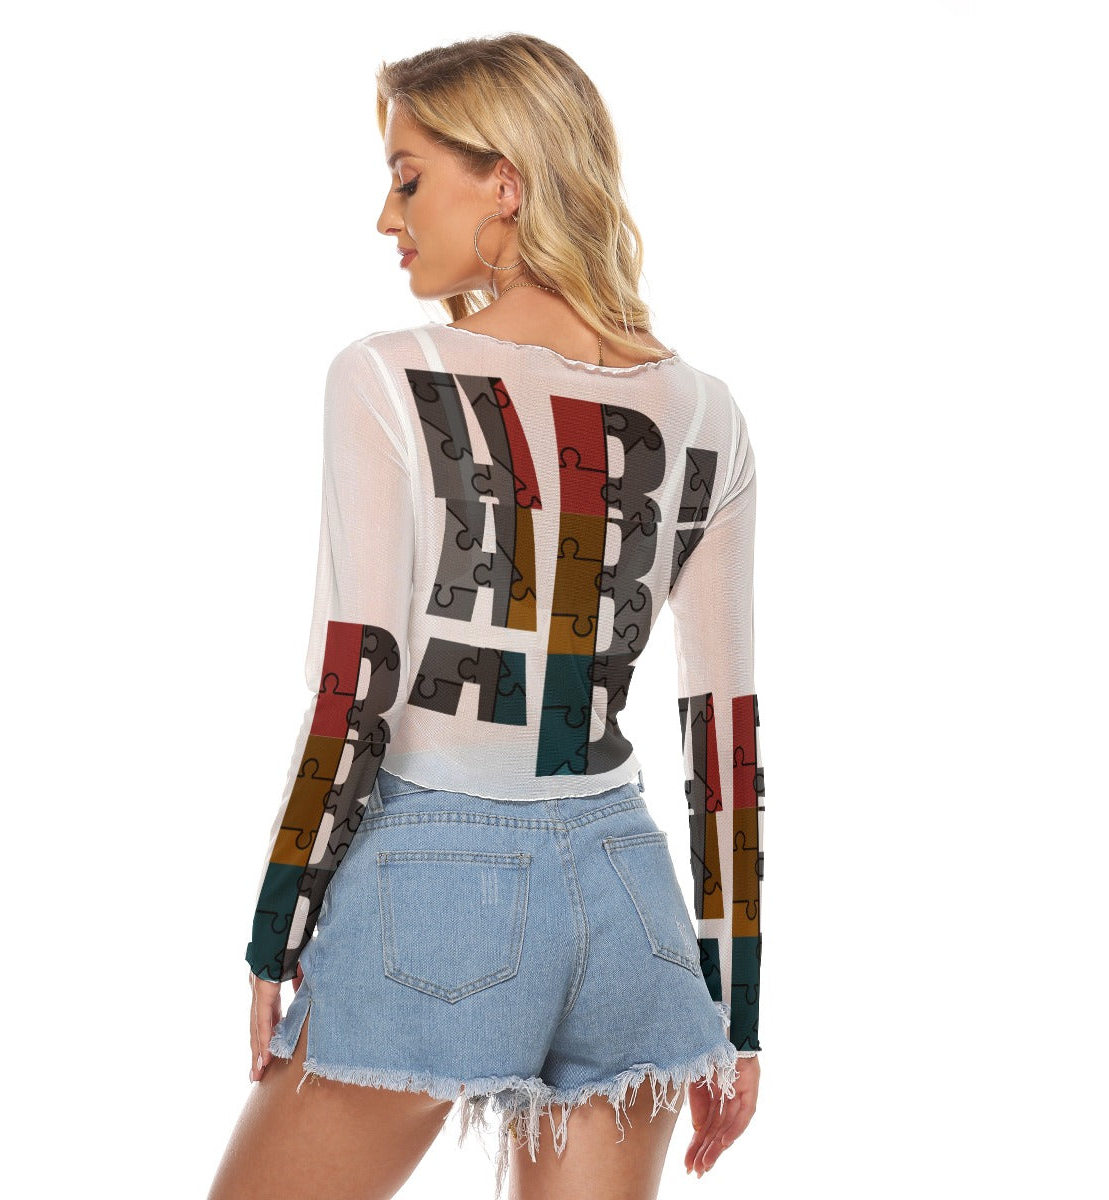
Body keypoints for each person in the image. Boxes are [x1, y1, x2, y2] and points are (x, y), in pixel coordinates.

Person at [208, 32, 764, 1200]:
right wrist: (737, 1011)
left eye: (409, 178)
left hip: (437, 883)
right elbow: (724, 731)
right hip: (631, 902)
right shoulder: (707, 412)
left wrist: (276, 929)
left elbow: (356, 678)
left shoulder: (386, 377)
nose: (387, 216)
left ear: (504, 182)